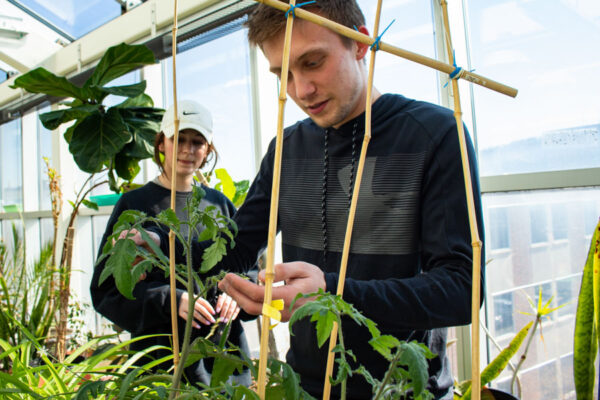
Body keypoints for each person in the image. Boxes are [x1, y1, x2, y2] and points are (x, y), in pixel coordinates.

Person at [147, 1, 484, 398]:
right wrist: (158, 246)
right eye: (282, 74)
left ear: (360, 42)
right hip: (306, 387)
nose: (299, 91)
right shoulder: (288, 148)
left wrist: (333, 296)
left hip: (403, 388)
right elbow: (235, 248)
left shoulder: (435, 134)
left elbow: (463, 290)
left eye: (312, 63)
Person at [90, 100, 252, 387]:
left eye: (197, 142)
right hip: (161, 365)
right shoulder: (135, 205)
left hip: (223, 363)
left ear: (208, 150)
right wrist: (170, 299)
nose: (188, 150)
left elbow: (248, 268)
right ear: (161, 142)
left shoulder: (220, 205)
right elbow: (107, 291)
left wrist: (236, 292)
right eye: (179, 139)